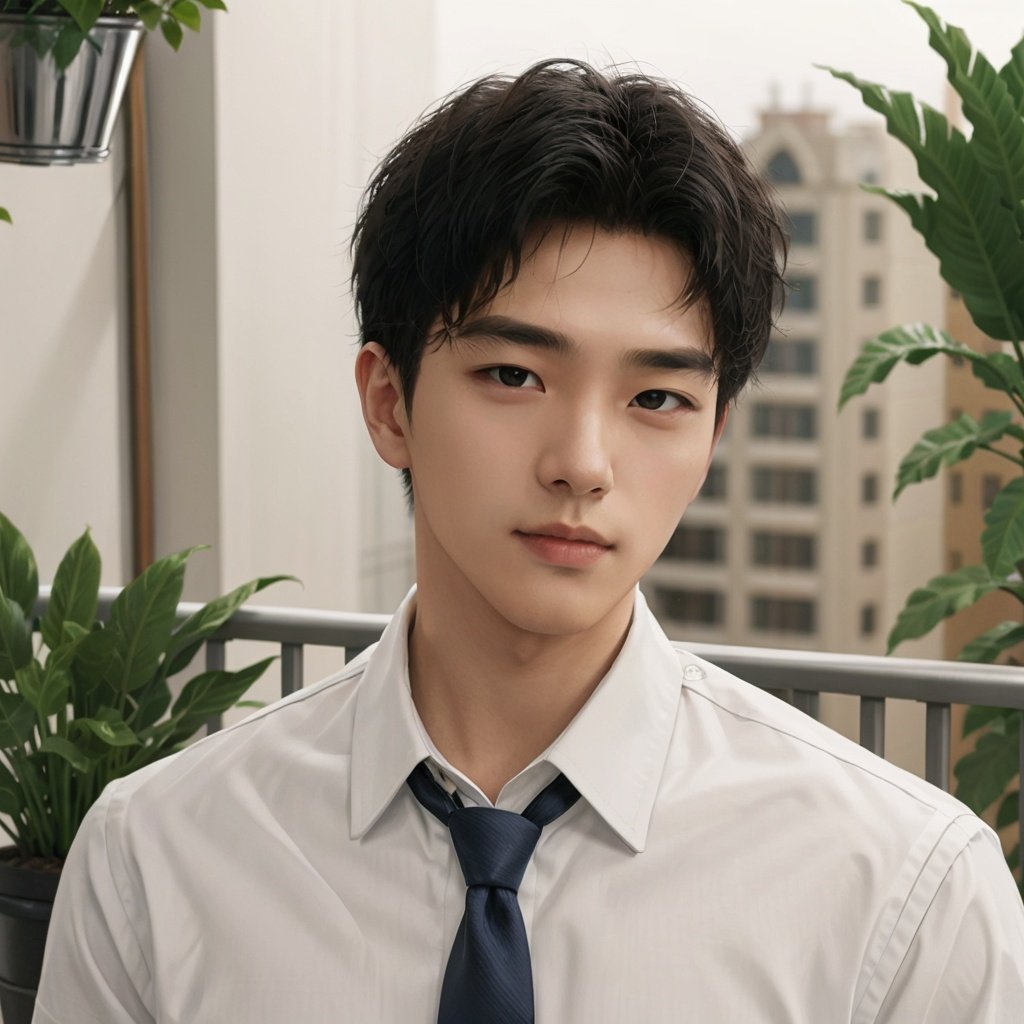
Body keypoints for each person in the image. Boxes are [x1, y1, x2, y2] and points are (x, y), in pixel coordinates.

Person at [34, 60, 1024, 1024]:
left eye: (656, 397)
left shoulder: (902, 894)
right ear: (389, 403)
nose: (582, 462)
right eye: (513, 375)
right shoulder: (155, 861)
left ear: (713, 436)